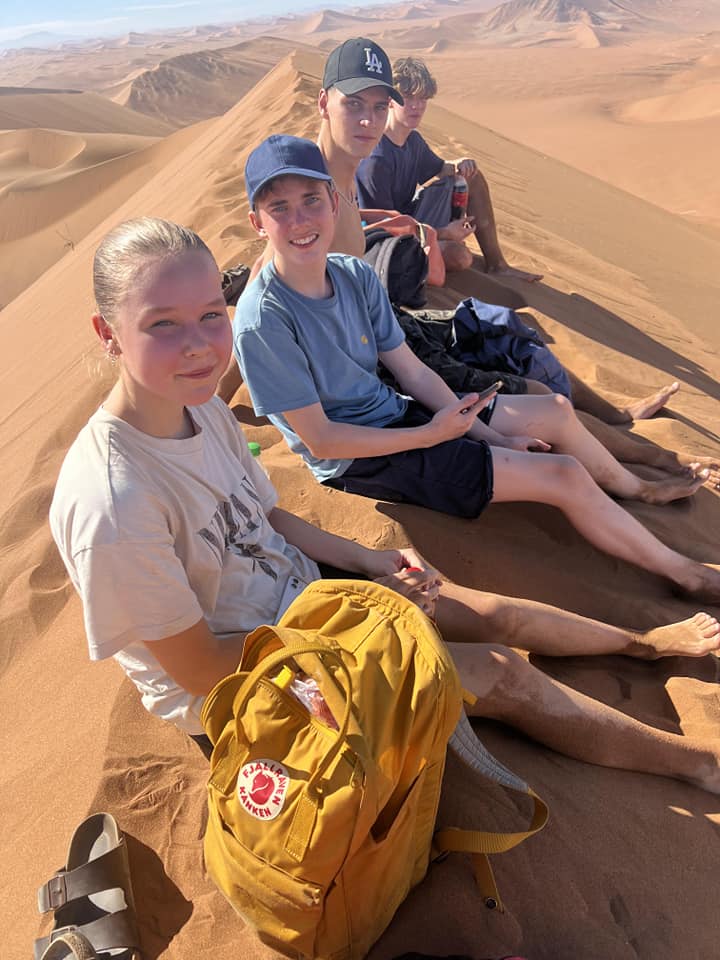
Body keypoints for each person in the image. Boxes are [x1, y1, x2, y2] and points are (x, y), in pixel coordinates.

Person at [49, 215, 720, 793]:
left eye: (209, 315)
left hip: (303, 604)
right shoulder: (116, 502)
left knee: (490, 611)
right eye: (162, 324)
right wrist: (356, 630)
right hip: (251, 685)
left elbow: (266, 517)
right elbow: (197, 669)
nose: (198, 344)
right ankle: (699, 765)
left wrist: (369, 561)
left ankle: (644, 644)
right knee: (499, 673)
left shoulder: (199, 409)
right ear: (107, 333)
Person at [234, 136, 720, 603]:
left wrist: (485, 435)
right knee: (564, 475)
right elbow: (322, 441)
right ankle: (689, 576)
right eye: (279, 207)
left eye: (311, 199)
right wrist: (433, 435)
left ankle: (635, 489)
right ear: (257, 222)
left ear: (334, 204)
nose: (299, 219)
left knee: (553, 409)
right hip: (358, 459)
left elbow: (413, 372)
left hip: (400, 415)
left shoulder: (353, 274)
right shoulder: (264, 321)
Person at [218, 39, 695, 471]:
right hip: (377, 364)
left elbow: (346, 229)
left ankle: (617, 417)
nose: (368, 121)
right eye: (354, 106)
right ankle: (647, 459)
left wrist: (397, 221)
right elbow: (262, 291)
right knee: (527, 386)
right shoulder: (312, 184)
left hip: (385, 325)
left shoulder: (345, 169)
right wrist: (216, 400)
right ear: (324, 104)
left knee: (508, 330)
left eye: (379, 107)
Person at [356, 55, 541, 283]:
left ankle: (497, 264)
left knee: (472, 177)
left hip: (411, 218)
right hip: (389, 242)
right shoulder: (376, 159)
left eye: (423, 98)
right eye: (408, 97)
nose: (416, 106)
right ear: (391, 100)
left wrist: (458, 164)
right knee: (460, 257)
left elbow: (439, 169)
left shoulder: (412, 141)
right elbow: (382, 231)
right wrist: (443, 233)